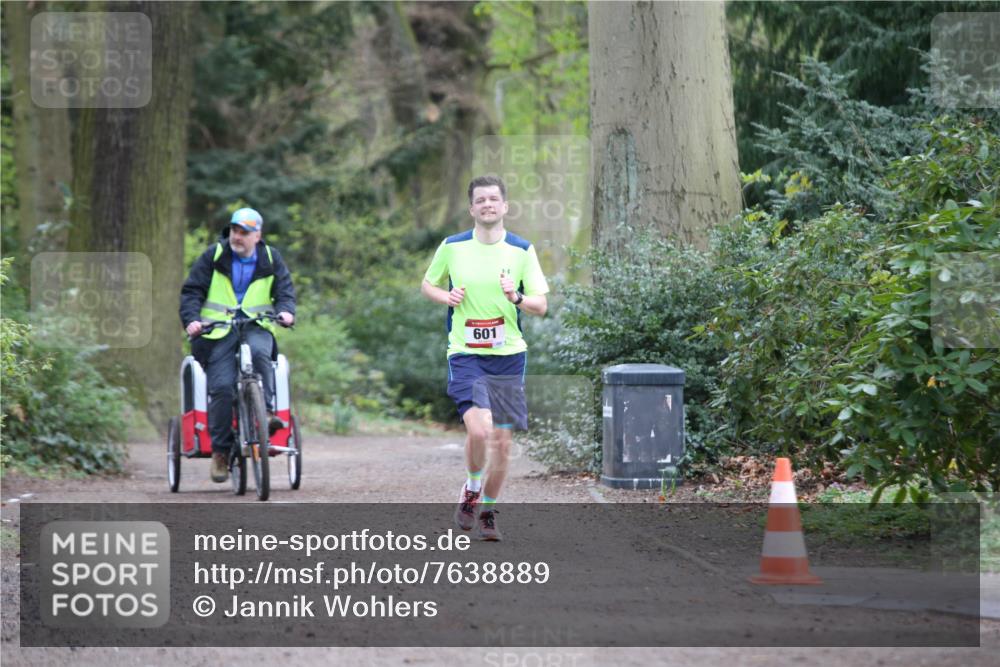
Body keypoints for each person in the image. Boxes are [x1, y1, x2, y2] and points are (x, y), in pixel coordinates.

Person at [421, 175, 549, 540]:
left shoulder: (522, 250)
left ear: (505, 206)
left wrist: (516, 298)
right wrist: (445, 297)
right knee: (478, 430)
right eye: (481, 200)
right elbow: (428, 284)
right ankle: (472, 488)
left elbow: (541, 305)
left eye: (494, 199)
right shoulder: (452, 246)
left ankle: (488, 512)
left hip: (509, 356)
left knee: (503, 443)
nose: (488, 204)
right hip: (466, 353)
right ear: (471, 209)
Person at [179, 208, 296, 483]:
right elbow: (192, 291)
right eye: (234, 230)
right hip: (218, 330)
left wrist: (286, 312)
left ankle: (266, 412)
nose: (237, 236)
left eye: (244, 232)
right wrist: (192, 320)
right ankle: (220, 453)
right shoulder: (215, 255)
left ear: (257, 235)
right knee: (221, 388)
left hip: (256, 324)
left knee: (260, 353)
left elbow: (285, 291)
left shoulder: (270, 258)